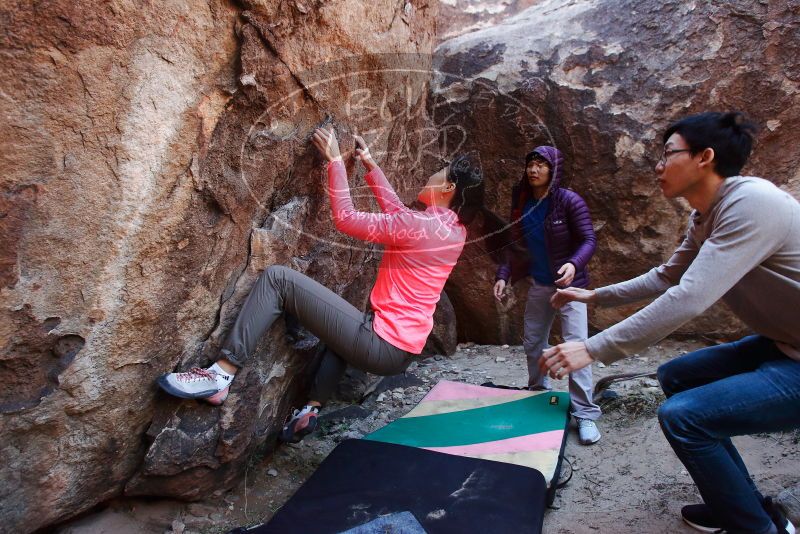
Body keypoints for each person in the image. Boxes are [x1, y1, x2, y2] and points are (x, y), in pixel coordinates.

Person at [541, 112, 799, 534]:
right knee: (677, 375)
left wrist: (591, 347)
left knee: (684, 417)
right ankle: (737, 503)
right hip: (784, 344)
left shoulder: (752, 204)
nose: (659, 166)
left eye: (667, 154)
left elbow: (690, 297)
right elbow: (667, 275)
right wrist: (596, 294)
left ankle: (756, 527)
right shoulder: (706, 216)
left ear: (705, 157)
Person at [158, 127, 486, 444]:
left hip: (380, 343)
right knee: (341, 327)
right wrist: (371, 167)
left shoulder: (419, 225)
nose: (431, 176)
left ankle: (221, 374)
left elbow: (346, 219)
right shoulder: (453, 231)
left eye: (439, 174)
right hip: (400, 353)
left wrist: (335, 162)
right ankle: (311, 409)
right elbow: (401, 217)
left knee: (278, 278)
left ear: (447, 189)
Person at [493, 146, 602, 445]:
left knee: (576, 346)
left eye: (541, 164)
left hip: (570, 287)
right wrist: (504, 276)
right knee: (533, 341)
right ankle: (537, 393)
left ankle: (584, 414)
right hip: (540, 284)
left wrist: (573, 263)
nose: (534, 169)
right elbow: (514, 245)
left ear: (553, 169)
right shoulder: (523, 202)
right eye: (530, 163)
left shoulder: (568, 200)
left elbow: (588, 239)